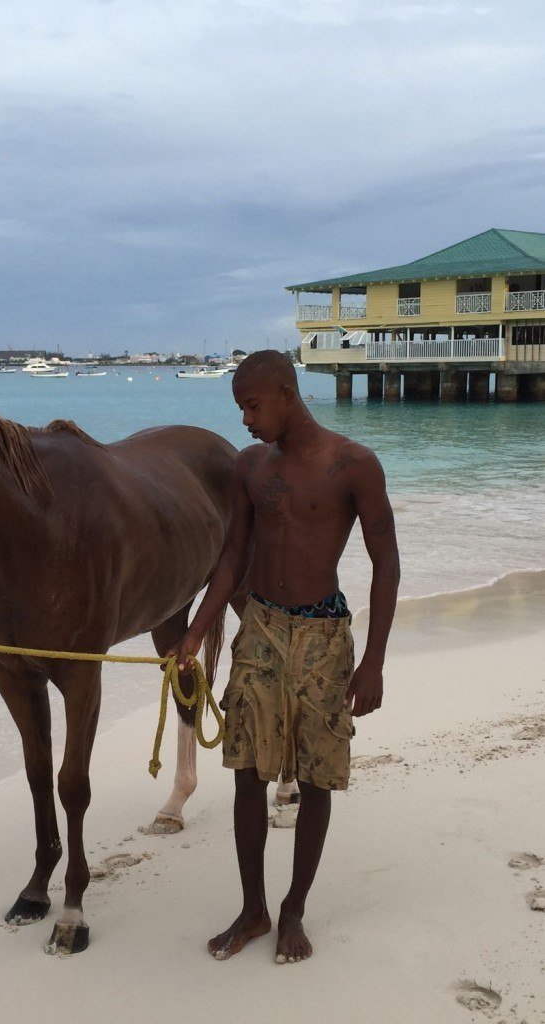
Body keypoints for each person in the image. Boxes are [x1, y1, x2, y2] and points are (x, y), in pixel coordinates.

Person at [174, 350, 400, 965]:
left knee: (317, 775)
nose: (245, 420)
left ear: (285, 391)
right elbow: (231, 559)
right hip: (261, 630)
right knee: (246, 769)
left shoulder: (353, 465)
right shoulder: (250, 467)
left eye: (252, 405)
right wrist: (195, 634)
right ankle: (253, 909)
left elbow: (387, 565)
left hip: (325, 637)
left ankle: (294, 908)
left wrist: (373, 661)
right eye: (239, 408)